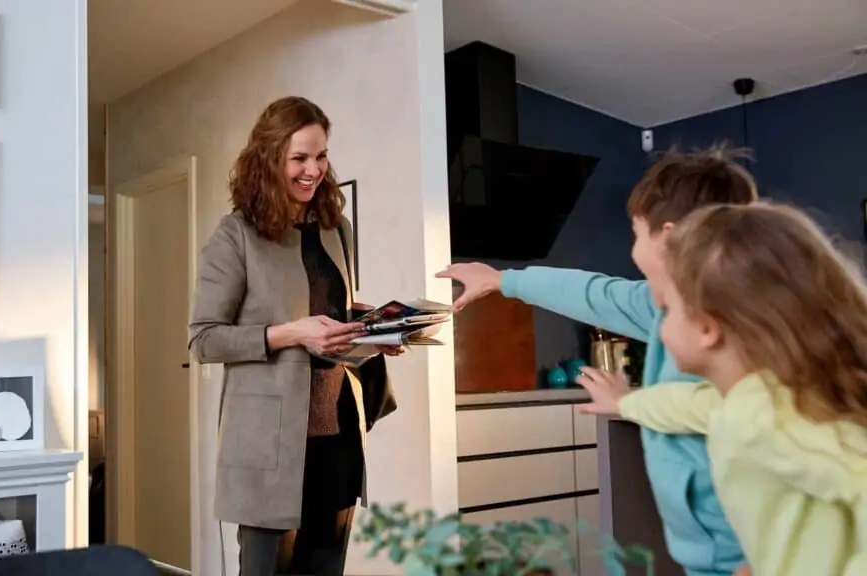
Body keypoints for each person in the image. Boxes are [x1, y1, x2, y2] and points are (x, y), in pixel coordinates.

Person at [436, 146, 757, 576]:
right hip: (704, 558)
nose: (633, 253)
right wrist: (501, 279)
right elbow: (596, 293)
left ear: (667, 237)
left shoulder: (751, 329)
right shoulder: (661, 307)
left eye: (636, 235)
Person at [575, 202, 867, 576]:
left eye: (668, 308)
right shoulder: (754, 397)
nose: (660, 326)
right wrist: (625, 404)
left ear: (707, 329)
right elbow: (686, 404)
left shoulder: (765, 417)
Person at [189, 96, 401, 576]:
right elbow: (205, 339)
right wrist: (290, 333)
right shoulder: (235, 235)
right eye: (299, 158)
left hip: (339, 438)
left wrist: (376, 332)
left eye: (321, 156)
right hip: (270, 448)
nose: (314, 170)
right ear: (269, 159)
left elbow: (333, 319)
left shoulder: (336, 229)